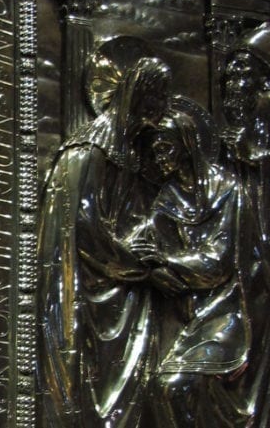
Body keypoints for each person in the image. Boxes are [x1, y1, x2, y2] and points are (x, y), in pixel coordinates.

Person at [38, 56, 171, 428]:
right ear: (134, 95)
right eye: (152, 101)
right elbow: (86, 230)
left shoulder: (133, 151)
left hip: (126, 297)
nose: (158, 112)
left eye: (162, 103)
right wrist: (135, 261)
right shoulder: (90, 150)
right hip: (88, 291)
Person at [132, 100, 248, 427]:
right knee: (156, 388)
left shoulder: (227, 191)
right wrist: (151, 267)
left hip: (223, 314)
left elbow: (219, 262)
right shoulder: (169, 195)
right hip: (182, 317)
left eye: (166, 148)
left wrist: (167, 261)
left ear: (187, 146)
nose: (160, 157)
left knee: (171, 387)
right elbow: (145, 243)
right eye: (155, 151)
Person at [220, 21, 270, 425]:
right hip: (241, 275)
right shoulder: (227, 149)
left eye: (244, 76)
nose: (234, 86)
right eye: (230, 75)